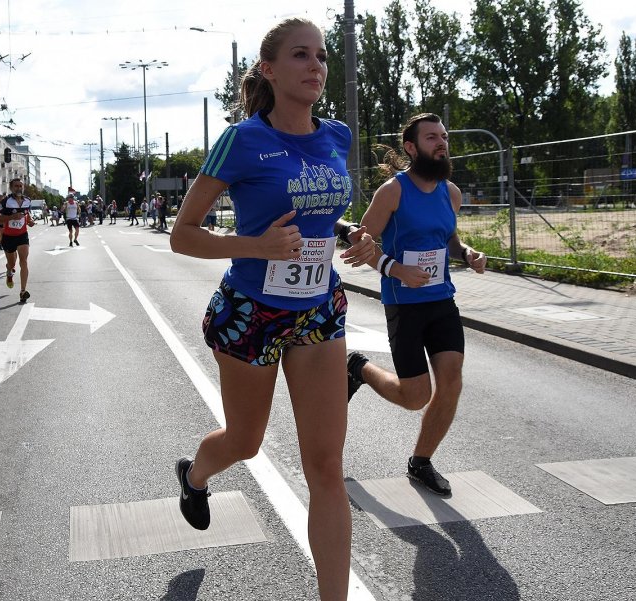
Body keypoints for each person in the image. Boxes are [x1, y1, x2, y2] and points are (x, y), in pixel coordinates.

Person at [169, 18, 374, 601]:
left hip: (318, 309)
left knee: (326, 467)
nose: (316, 66)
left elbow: (318, 215)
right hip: (250, 311)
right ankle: (195, 474)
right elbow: (183, 235)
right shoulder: (242, 139)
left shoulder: (336, 136)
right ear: (269, 69)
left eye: (322, 56)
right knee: (246, 441)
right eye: (300, 55)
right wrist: (254, 245)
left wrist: (352, 234)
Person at [344, 112, 487, 497]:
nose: (441, 143)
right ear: (412, 147)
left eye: (444, 136)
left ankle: (421, 461)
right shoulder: (393, 191)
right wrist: (396, 270)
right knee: (415, 397)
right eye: (432, 138)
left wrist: (467, 253)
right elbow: (361, 243)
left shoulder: (450, 192)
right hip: (404, 304)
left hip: (442, 300)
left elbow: (449, 238)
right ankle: (358, 368)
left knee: (452, 382)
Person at [0, 178, 35, 303]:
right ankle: (9, 272)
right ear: (11, 187)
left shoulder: (27, 201)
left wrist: (30, 221)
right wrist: (11, 217)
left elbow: (26, 214)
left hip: (22, 235)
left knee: (24, 261)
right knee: (12, 263)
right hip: (9, 236)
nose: (19, 188)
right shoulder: (5, 202)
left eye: (21, 186)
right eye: (16, 186)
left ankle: (23, 291)